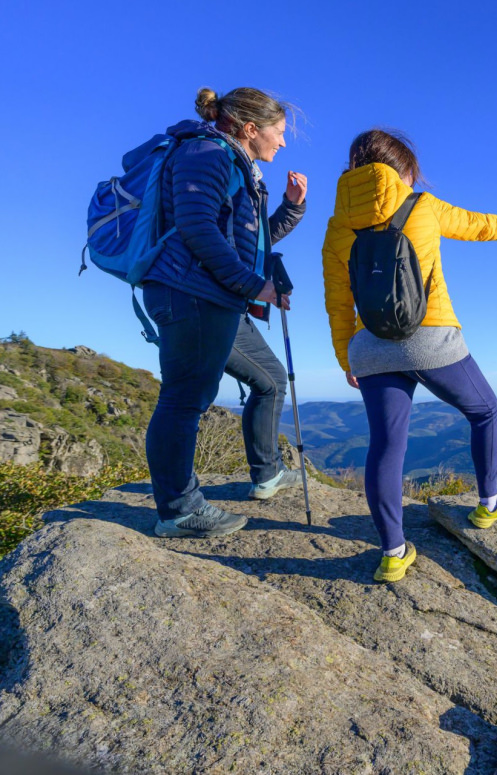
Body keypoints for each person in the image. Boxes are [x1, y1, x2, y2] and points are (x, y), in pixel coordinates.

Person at [322, 128, 497, 582]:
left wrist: (347, 358)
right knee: (485, 410)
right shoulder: (421, 205)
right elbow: (479, 225)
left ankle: (393, 553)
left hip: (369, 346)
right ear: (402, 171)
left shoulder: (337, 225)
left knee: (386, 445)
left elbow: (337, 300)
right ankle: (488, 505)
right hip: (430, 336)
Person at [142, 86, 307, 538]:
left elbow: (250, 240)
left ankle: (267, 474)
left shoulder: (233, 162)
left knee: (270, 380)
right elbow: (197, 229)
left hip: (215, 297)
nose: (283, 141)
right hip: (190, 294)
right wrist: (256, 286)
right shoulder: (206, 154)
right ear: (251, 128)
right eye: (278, 131)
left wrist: (291, 208)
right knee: (184, 399)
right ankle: (179, 510)